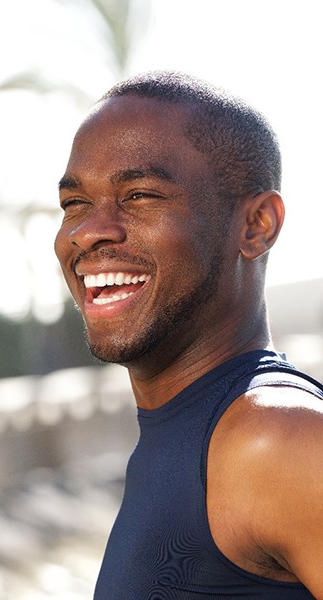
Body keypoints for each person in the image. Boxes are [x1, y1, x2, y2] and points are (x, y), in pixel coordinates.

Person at [54, 70, 323, 599]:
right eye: (74, 204)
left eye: (139, 195)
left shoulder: (276, 443)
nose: (88, 230)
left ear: (256, 225)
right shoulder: (182, 431)